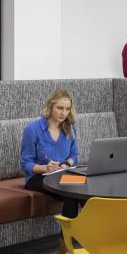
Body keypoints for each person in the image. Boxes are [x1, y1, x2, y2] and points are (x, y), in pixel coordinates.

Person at [20, 88, 80, 219]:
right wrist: (46, 168)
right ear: (50, 106)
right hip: (38, 177)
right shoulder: (33, 129)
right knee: (72, 192)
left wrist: (66, 164)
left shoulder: (70, 128)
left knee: (87, 190)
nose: (64, 113)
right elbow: (26, 164)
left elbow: (74, 156)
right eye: (60, 108)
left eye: (67, 109)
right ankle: (66, 239)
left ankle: (90, 236)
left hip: (62, 174)